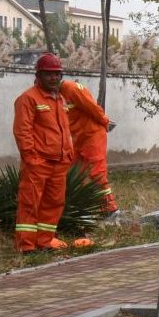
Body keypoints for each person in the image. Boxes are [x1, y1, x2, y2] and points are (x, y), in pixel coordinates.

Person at [13, 52, 76, 252]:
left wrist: (68, 154)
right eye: (49, 74)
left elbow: (64, 129)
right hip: (38, 162)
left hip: (59, 163)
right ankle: (26, 246)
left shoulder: (59, 99)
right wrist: (31, 158)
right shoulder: (28, 98)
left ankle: (44, 241)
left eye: (57, 74)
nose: (54, 78)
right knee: (30, 203)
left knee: (54, 203)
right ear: (38, 75)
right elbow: (23, 131)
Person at [60, 77, 118, 215]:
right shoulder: (51, 95)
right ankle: (77, 208)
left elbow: (91, 107)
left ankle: (110, 209)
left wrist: (105, 122)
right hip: (76, 138)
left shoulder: (72, 89)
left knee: (97, 173)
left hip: (92, 135)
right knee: (72, 174)